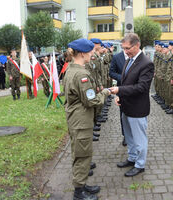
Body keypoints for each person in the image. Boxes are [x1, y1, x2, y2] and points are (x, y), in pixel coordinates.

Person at [64, 38, 111, 200]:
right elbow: (91, 100)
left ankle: (82, 184)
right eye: (90, 51)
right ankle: (79, 192)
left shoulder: (71, 69)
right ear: (83, 53)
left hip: (76, 119)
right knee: (83, 155)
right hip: (81, 121)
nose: (93, 53)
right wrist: (106, 93)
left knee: (80, 152)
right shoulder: (81, 74)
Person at [110, 33, 154, 177]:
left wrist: (119, 90)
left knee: (139, 139)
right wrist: (119, 95)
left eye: (128, 48)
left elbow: (141, 87)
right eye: (123, 48)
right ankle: (132, 158)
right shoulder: (129, 59)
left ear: (137, 45)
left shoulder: (146, 63)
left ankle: (140, 165)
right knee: (129, 137)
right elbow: (124, 81)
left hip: (137, 108)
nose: (125, 51)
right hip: (126, 106)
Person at [110, 49, 128, 146]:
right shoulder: (117, 57)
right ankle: (125, 135)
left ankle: (133, 135)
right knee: (123, 113)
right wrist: (121, 77)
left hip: (134, 90)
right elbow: (111, 72)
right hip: (121, 89)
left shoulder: (135, 57)